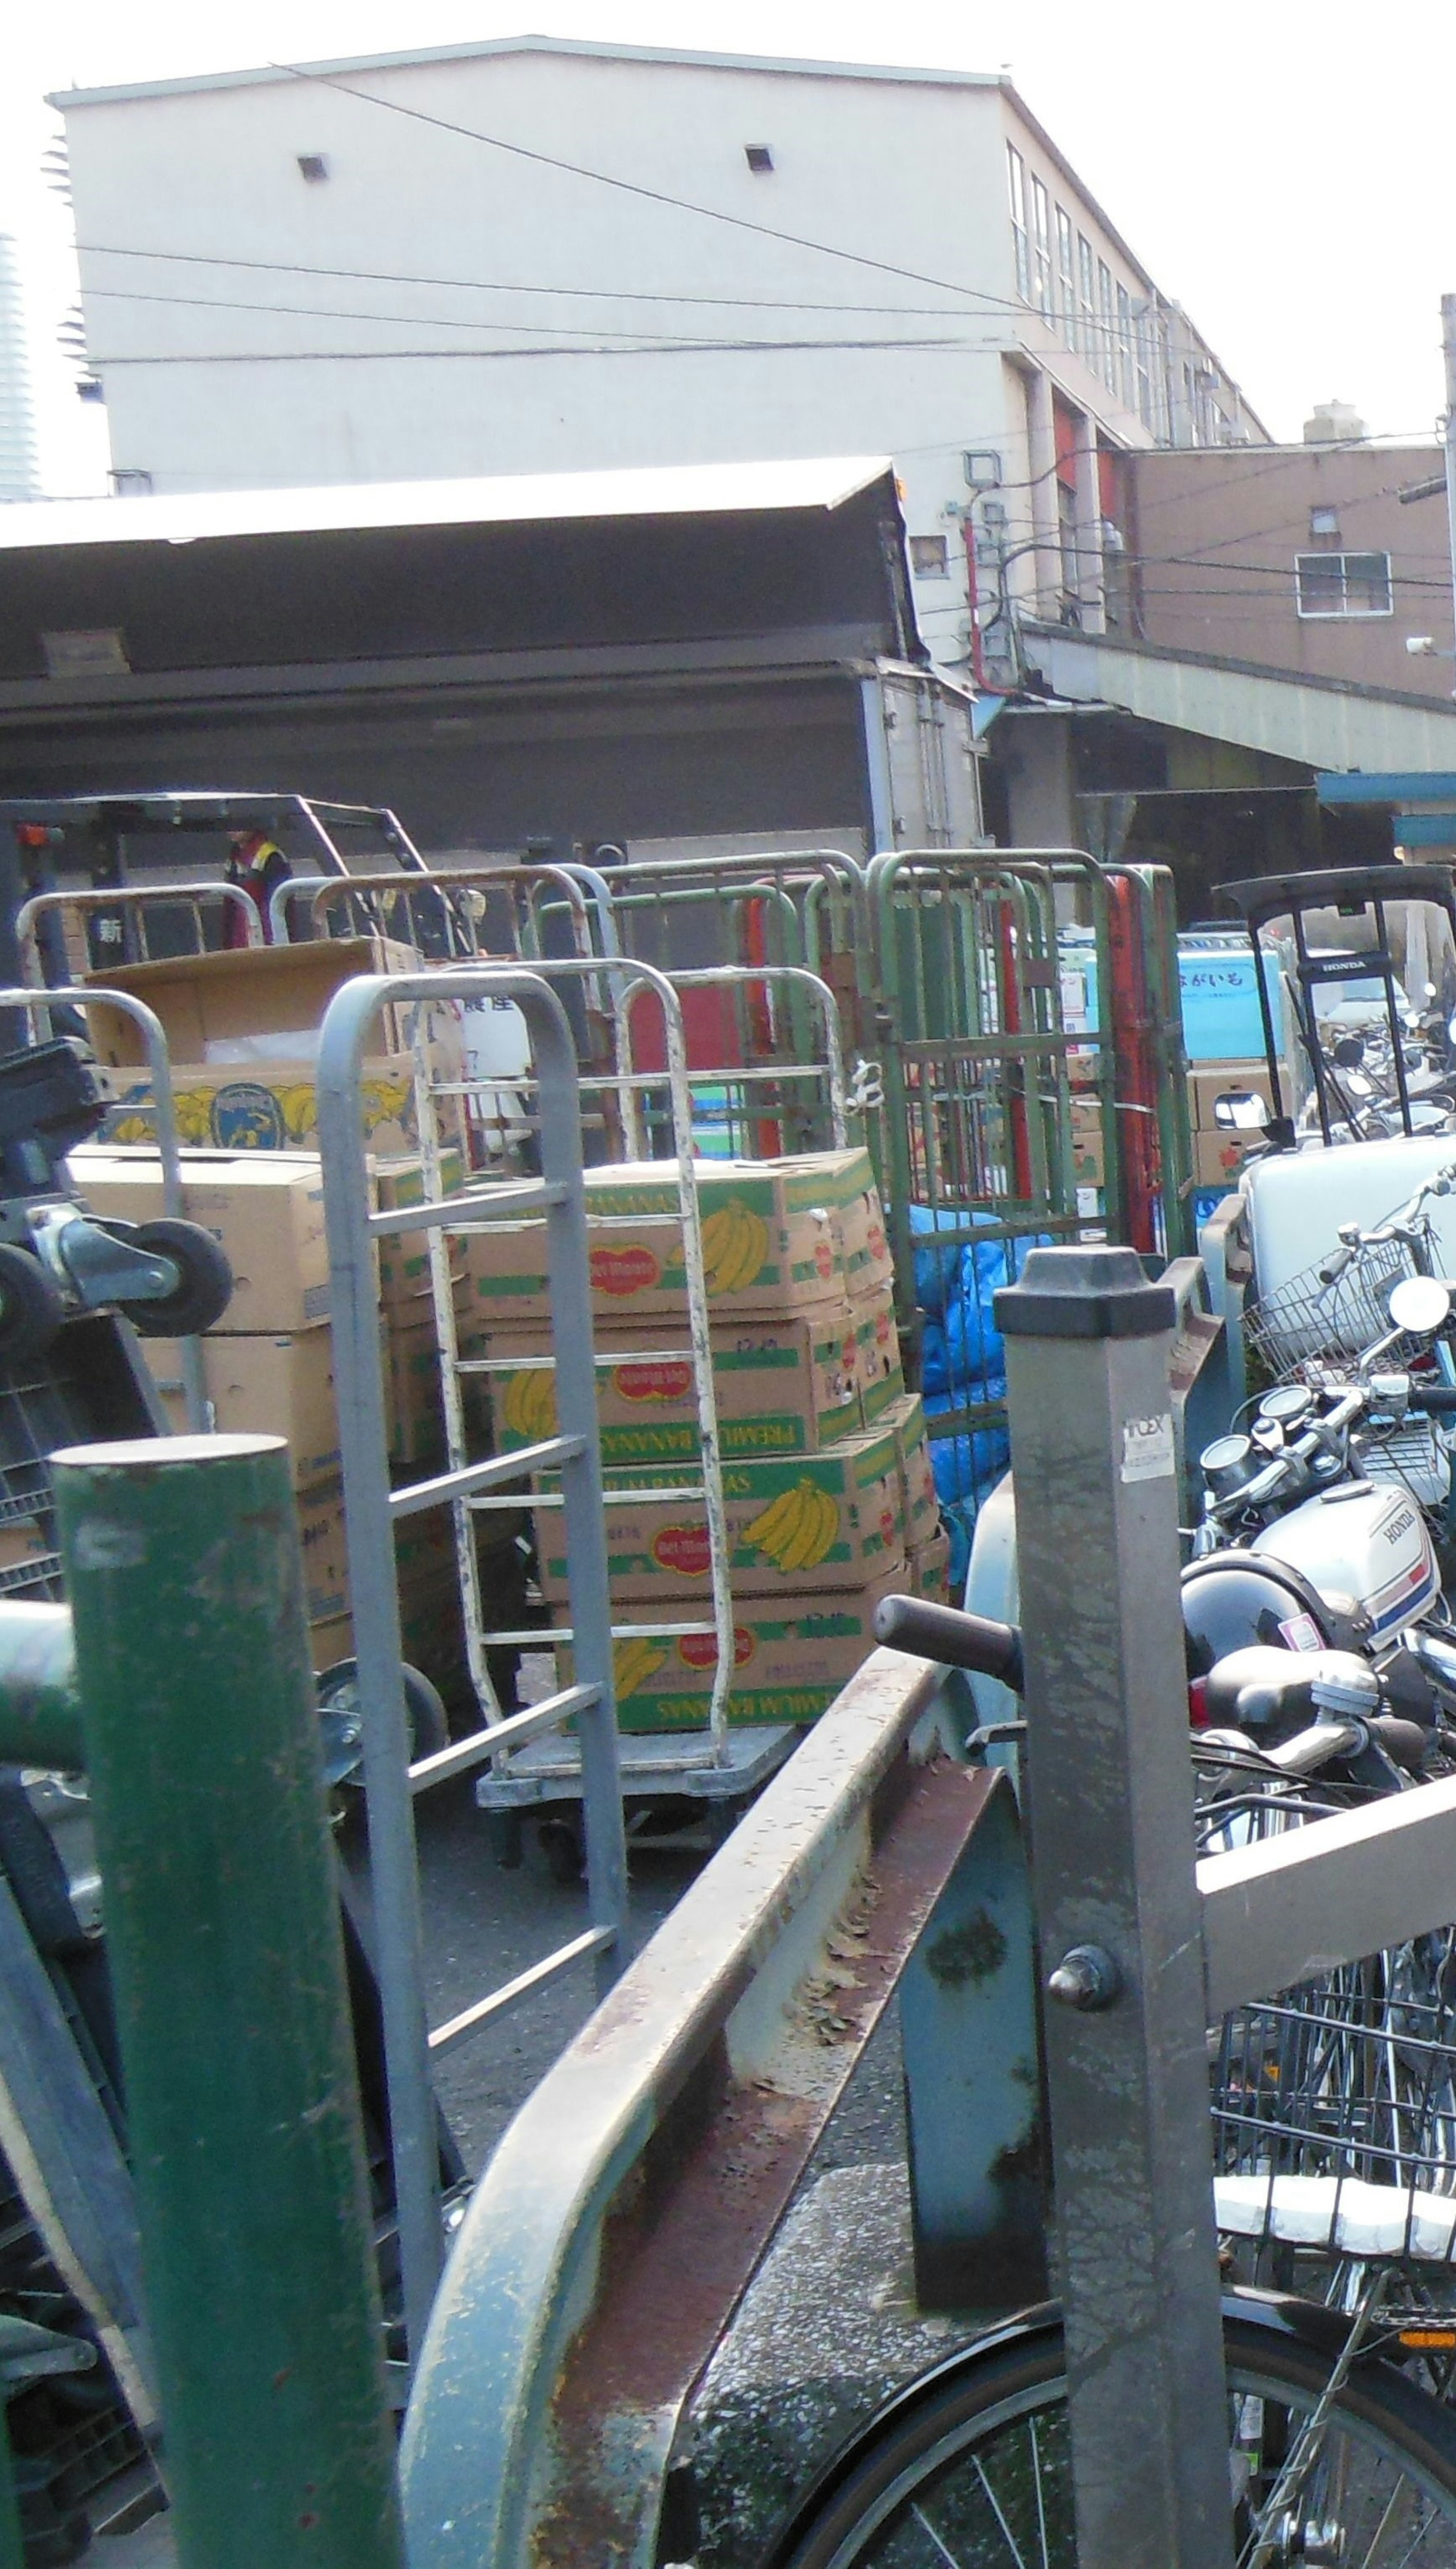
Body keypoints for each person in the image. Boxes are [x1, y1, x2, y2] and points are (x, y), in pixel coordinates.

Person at [224, 828, 291, 945]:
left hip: (265, 942)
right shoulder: (234, 857)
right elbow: (229, 909)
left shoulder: (271, 856)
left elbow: (277, 906)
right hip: (241, 941)